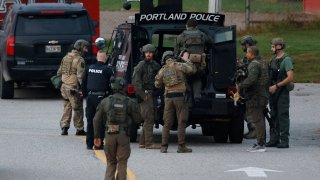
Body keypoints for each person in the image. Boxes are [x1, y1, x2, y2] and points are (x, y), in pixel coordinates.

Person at [93, 77, 142, 180]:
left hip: (110, 134)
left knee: (111, 162)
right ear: (122, 87)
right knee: (122, 162)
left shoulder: (105, 101)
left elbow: (96, 120)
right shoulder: (129, 102)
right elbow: (138, 119)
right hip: (123, 135)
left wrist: (97, 136)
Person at [155, 51, 196, 153]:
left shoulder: (162, 70)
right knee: (181, 122)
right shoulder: (180, 66)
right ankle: (181, 146)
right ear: (173, 58)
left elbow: (157, 84)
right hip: (180, 98)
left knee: (167, 123)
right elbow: (193, 70)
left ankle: (164, 147)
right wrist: (187, 60)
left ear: (164, 59)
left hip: (168, 98)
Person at [237, 46, 269, 152]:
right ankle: (261, 142)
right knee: (260, 119)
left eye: (247, 53)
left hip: (256, 95)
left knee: (257, 120)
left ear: (251, 54)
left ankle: (260, 144)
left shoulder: (254, 64)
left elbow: (252, 79)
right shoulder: (262, 62)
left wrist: (240, 85)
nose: (246, 54)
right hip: (262, 94)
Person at [174, 18, 213, 102]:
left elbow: (176, 53)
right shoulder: (202, 35)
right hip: (199, 63)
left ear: (187, 26)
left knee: (185, 79)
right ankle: (197, 96)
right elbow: (211, 43)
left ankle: (188, 99)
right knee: (197, 78)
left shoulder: (181, 36)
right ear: (196, 26)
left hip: (185, 64)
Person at [82, 50, 114, 150]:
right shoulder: (107, 70)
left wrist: (85, 94)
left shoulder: (89, 68)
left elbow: (84, 82)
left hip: (90, 97)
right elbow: (112, 84)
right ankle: (98, 144)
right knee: (100, 121)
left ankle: (89, 143)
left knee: (90, 120)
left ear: (97, 58)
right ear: (105, 58)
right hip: (101, 98)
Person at [132, 44, 161, 149]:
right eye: (146, 52)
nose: (148, 54)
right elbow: (136, 81)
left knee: (150, 118)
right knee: (149, 118)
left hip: (152, 94)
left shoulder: (156, 65)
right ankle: (149, 143)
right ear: (143, 53)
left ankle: (143, 142)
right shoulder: (141, 65)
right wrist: (142, 95)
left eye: (150, 52)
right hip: (145, 94)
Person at [266, 37, 294, 148]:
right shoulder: (273, 59)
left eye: (273, 46)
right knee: (273, 115)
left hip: (282, 91)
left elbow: (290, 77)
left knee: (282, 115)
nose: (271, 48)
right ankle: (274, 139)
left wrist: (277, 86)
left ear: (279, 46)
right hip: (273, 91)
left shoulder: (286, 60)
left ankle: (284, 140)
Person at [57, 39, 89, 136]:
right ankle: (79, 129)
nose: (86, 50)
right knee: (78, 108)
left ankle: (64, 127)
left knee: (67, 107)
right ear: (80, 47)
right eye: (85, 48)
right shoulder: (79, 60)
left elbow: (59, 72)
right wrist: (84, 89)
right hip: (73, 88)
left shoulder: (66, 57)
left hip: (64, 87)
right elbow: (81, 77)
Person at [237, 35, 258, 139]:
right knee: (247, 109)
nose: (242, 47)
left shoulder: (252, 57)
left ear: (248, 44)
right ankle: (253, 130)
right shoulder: (249, 56)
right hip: (249, 88)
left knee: (250, 110)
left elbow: (250, 74)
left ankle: (255, 130)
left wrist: (241, 85)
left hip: (252, 88)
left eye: (243, 45)